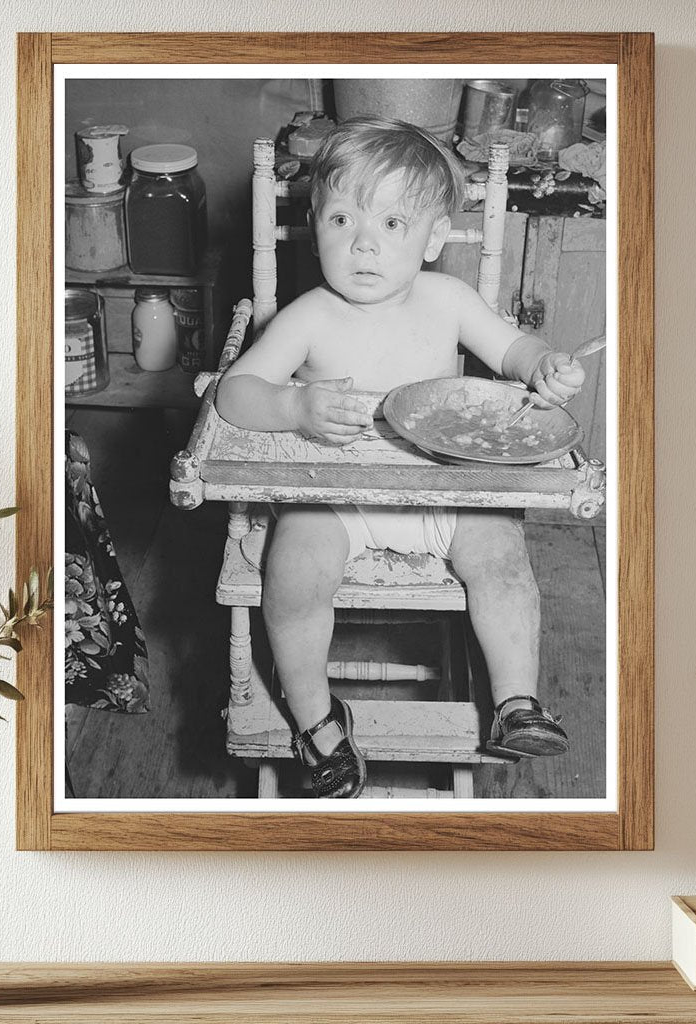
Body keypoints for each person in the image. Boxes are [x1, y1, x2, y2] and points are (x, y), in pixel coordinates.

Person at [216, 117, 584, 799]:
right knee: (291, 575)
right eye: (341, 217)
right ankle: (317, 721)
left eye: (391, 224)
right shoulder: (308, 317)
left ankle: (515, 701)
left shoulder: (448, 300)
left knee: (503, 557)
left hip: (442, 493)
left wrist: (544, 366)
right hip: (339, 499)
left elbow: (513, 350)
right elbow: (235, 394)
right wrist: (294, 408)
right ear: (314, 223)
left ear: (433, 238)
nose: (363, 241)